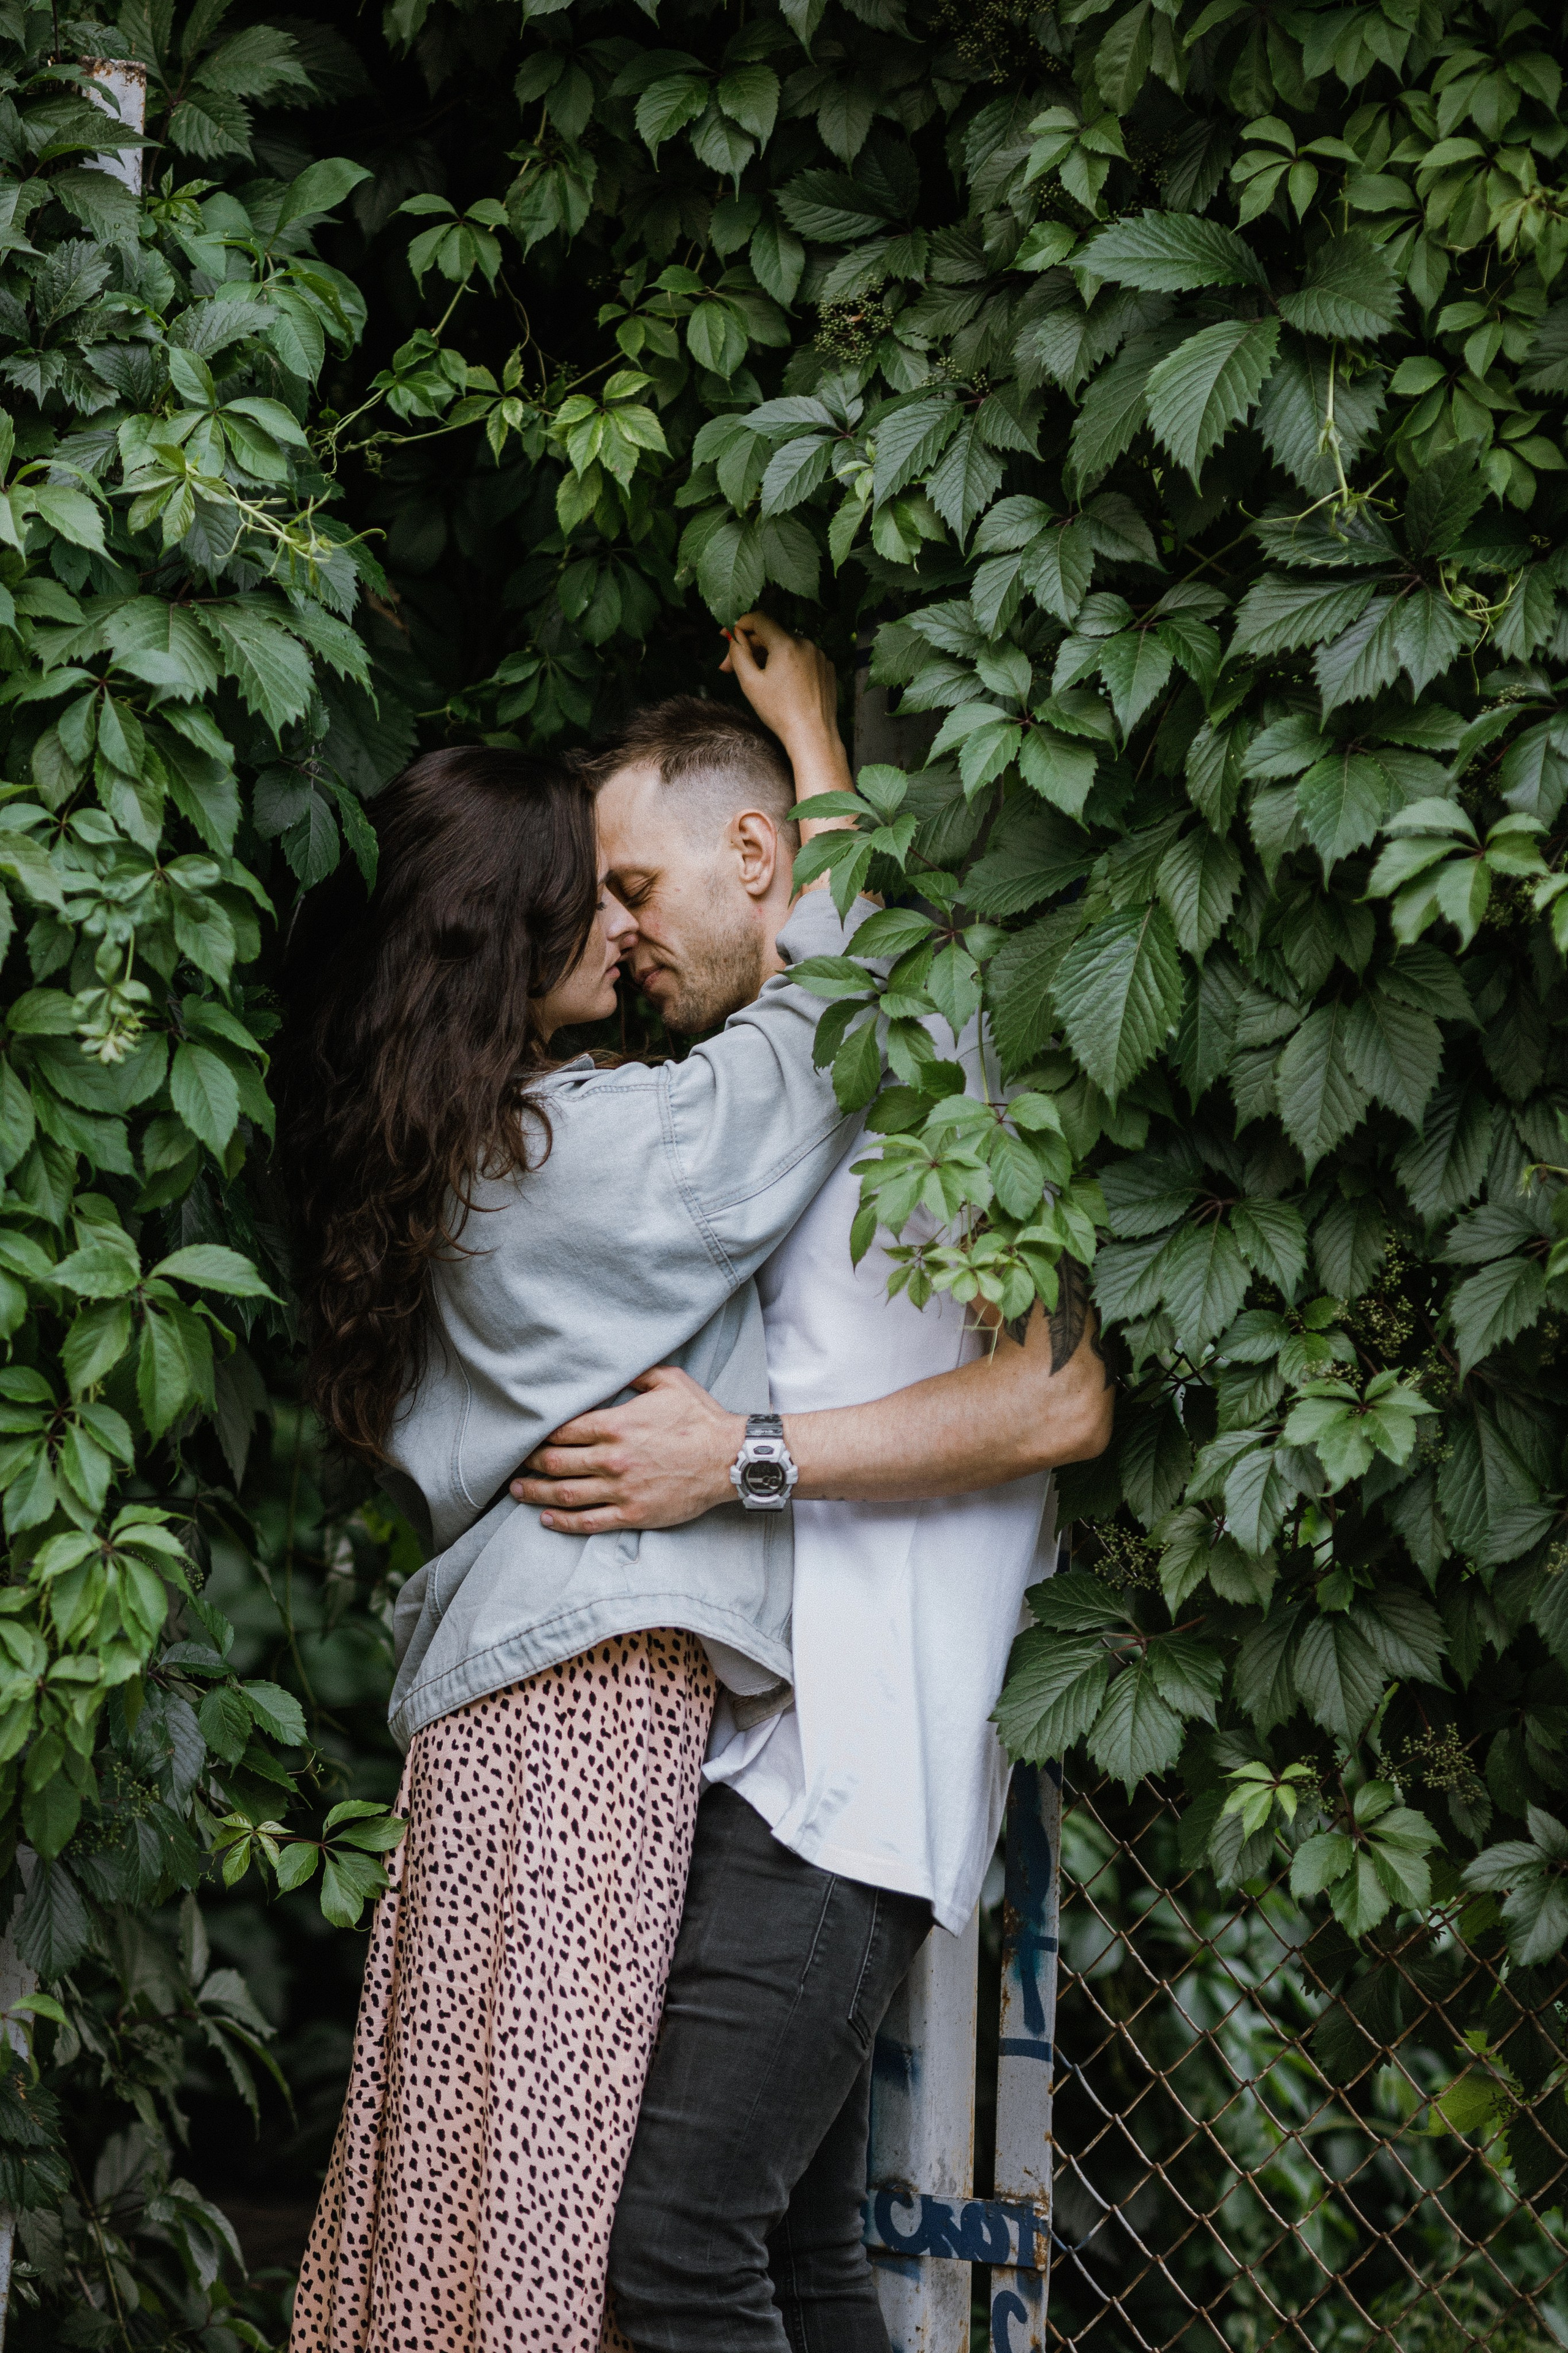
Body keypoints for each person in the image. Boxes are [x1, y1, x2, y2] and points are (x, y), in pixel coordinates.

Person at [276, 621, 1106, 2353]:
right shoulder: (648, 1129)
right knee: (779, 2259)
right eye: (595, 897)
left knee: (668, 2248)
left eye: (637, 883)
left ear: (758, 862)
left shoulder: (914, 1075)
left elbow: (1059, 1389)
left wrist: (743, 1458)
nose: (626, 931)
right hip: (739, 1746)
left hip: (855, 1768)